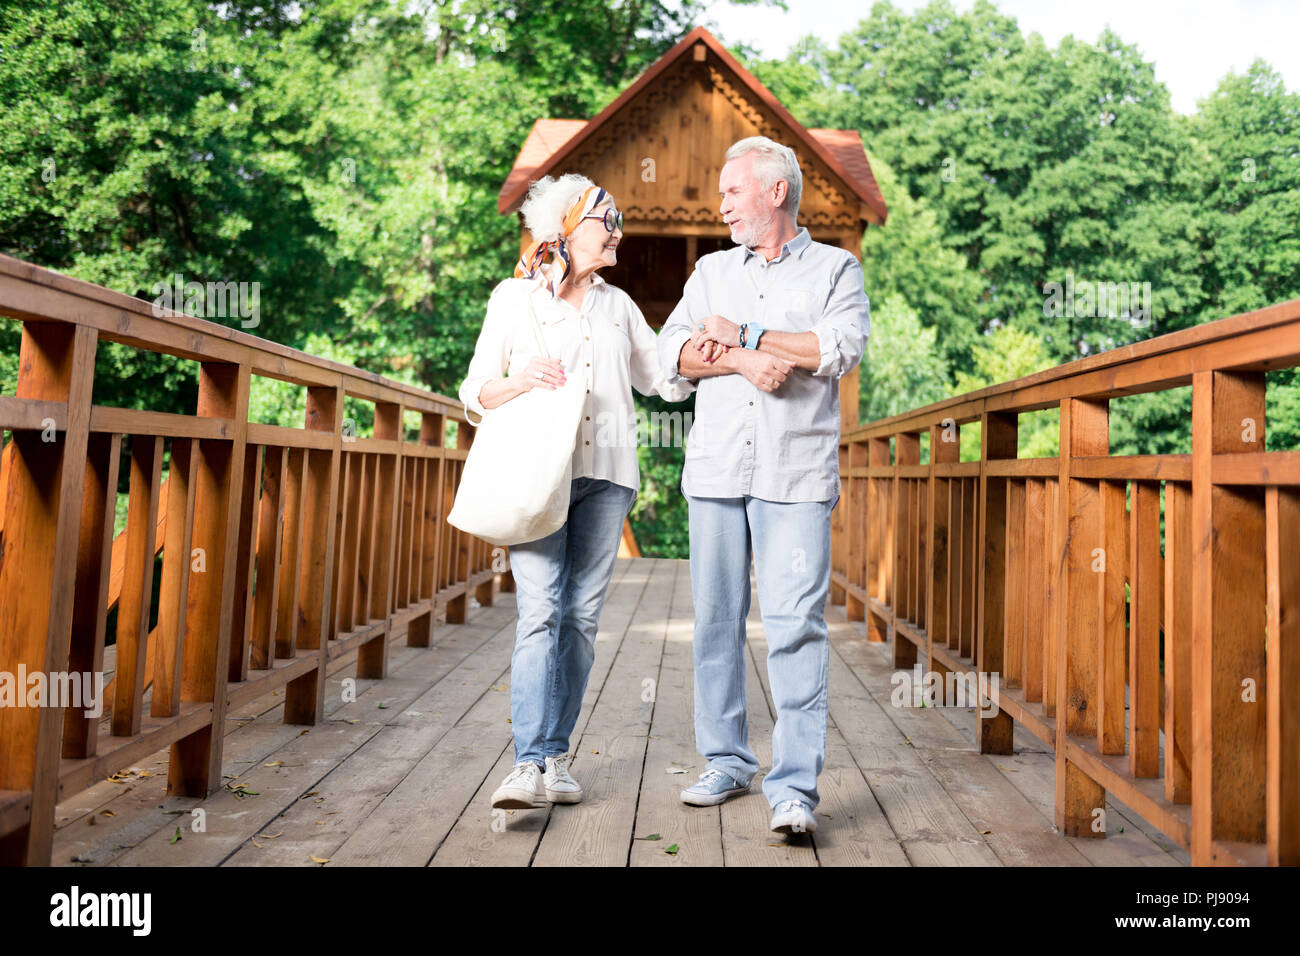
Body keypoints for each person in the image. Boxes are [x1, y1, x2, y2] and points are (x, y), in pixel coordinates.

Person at [459, 174, 693, 812]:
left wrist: (713, 351)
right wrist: (518, 380)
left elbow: (665, 380)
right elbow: (473, 389)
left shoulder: (617, 307)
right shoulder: (513, 299)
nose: (617, 231)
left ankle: (556, 758)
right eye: (605, 220)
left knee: (580, 618)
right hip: (540, 476)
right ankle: (526, 763)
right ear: (564, 228)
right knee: (540, 612)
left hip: (607, 476)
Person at [657, 136, 869, 835]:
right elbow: (673, 357)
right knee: (715, 624)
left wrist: (745, 332)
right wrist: (749, 361)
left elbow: (836, 349)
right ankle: (727, 760)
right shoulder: (712, 271)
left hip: (796, 475)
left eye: (732, 192)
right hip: (717, 470)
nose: (720, 206)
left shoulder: (837, 269)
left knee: (794, 628)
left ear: (775, 192)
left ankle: (794, 790)